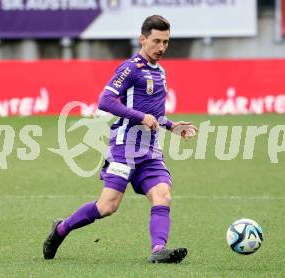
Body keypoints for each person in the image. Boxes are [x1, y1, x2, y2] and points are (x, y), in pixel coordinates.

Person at [43, 15, 198, 264]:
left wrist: (171, 126)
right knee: (108, 206)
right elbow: (105, 100)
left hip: (149, 150)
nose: (161, 48)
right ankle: (61, 229)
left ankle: (159, 249)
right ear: (142, 39)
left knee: (163, 195)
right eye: (156, 41)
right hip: (124, 148)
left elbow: (154, 113)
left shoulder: (160, 72)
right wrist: (141, 117)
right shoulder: (130, 68)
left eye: (166, 42)